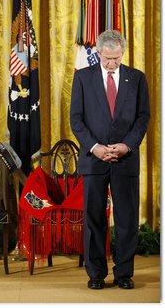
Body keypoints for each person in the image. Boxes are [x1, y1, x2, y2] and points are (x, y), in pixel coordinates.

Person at [70, 29, 150, 290]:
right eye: (108, 59)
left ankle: (124, 273)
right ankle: (95, 274)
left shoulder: (137, 78)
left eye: (117, 58)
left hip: (125, 160)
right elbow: (76, 120)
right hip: (94, 161)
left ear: (122, 53)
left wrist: (126, 145)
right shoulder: (82, 78)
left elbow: (143, 118)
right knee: (94, 219)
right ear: (98, 53)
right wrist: (95, 147)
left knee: (127, 219)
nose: (113, 63)